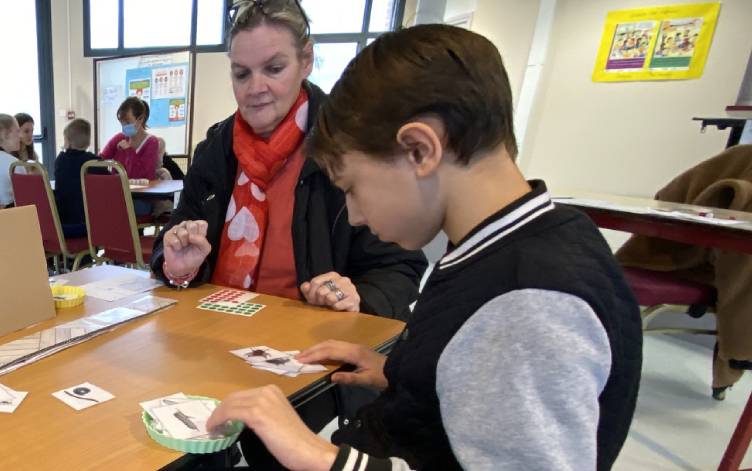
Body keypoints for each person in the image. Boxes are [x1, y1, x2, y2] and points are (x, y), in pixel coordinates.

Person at [205, 24, 643, 471]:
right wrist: (413, 374)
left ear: (419, 149)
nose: (354, 215)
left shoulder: (529, 301)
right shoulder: (520, 242)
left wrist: (318, 456)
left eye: (353, 188)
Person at [152, 0, 424, 319]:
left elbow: (399, 266)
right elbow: (172, 238)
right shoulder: (216, 149)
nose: (256, 88)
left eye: (274, 69)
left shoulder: (351, 144)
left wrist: (358, 299)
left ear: (306, 60)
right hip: (216, 333)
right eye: (241, 74)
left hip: (313, 343)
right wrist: (178, 268)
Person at [53, 119, 98, 239]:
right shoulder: (94, 163)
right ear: (88, 142)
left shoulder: (60, 160)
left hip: (60, 224)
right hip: (85, 225)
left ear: (67, 142)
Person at [99, 97, 163, 181]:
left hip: (142, 193)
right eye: (122, 122)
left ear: (140, 119)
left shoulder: (152, 142)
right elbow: (100, 160)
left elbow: (141, 175)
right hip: (119, 191)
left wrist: (128, 150)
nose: (124, 126)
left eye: (128, 122)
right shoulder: (119, 138)